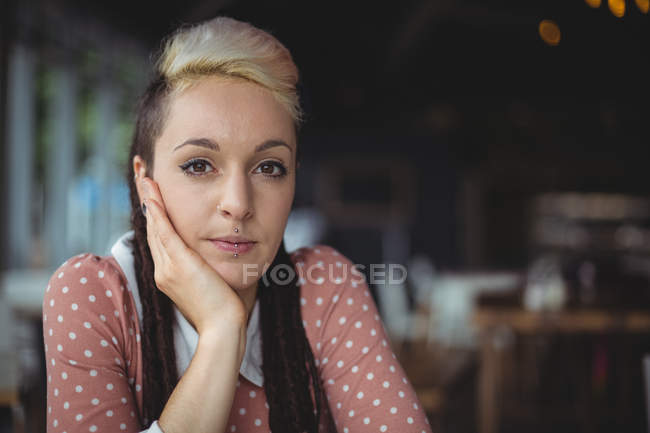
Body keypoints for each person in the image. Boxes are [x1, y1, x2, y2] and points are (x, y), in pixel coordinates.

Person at [42, 16, 432, 433]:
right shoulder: (93, 297)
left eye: (269, 167)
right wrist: (221, 331)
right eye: (198, 164)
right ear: (145, 180)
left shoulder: (325, 286)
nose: (238, 204)